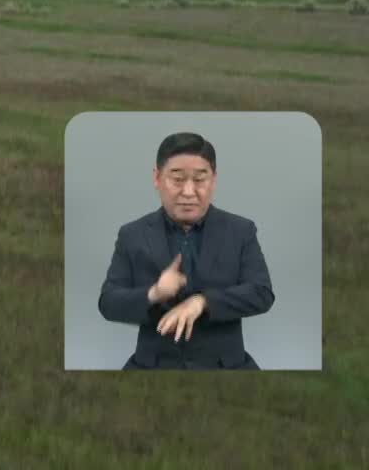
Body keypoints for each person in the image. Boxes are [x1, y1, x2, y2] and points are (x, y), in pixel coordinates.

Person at [97, 131, 275, 368]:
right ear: (157, 178)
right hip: (153, 367)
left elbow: (262, 293)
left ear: (214, 179)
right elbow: (108, 303)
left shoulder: (241, 231)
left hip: (226, 367)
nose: (189, 192)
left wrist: (202, 302)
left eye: (200, 179)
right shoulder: (132, 235)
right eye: (178, 179)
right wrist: (155, 293)